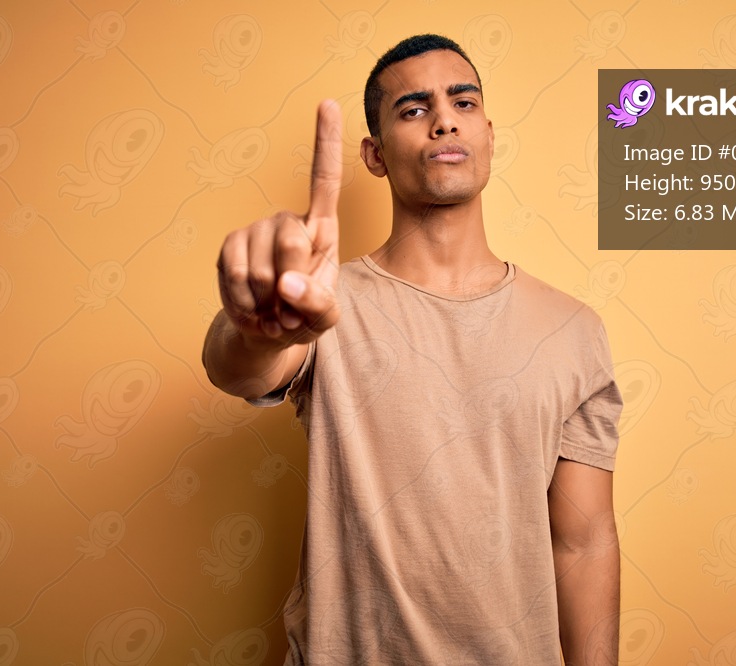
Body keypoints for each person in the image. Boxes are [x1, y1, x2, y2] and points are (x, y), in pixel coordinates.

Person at [204, 34, 623, 665]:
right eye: (414, 108)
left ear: (488, 135)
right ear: (374, 155)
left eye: (463, 102)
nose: (444, 120)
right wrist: (257, 330)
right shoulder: (322, 302)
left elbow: (584, 544)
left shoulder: (572, 329)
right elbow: (237, 370)